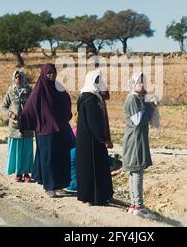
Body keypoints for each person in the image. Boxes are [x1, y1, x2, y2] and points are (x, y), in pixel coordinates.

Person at [19, 63, 72, 198]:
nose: (51, 75)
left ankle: (59, 184)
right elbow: (28, 108)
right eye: (49, 73)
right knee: (48, 159)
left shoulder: (58, 88)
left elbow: (66, 100)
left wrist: (65, 117)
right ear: (43, 74)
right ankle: (49, 186)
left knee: (60, 157)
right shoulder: (39, 90)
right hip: (45, 131)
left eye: (53, 73)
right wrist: (27, 124)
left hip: (60, 128)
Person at [123, 71, 158, 219]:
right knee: (137, 171)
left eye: (144, 81)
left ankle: (133, 204)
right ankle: (139, 206)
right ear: (133, 84)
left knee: (134, 172)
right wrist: (150, 107)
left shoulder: (138, 98)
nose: (143, 84)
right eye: (139, 82)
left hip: (136, 138)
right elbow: (138, 120)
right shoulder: (132, 99)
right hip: (135, 140)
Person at [75, 70, 114, 205]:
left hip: (89, 139)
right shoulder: (90, 99)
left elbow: (107, 94)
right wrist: (103, 138)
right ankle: (94, 197)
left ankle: (94, 196)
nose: (98, 83)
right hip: (92, 140)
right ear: (90, 81)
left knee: (93, 168)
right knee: (93, 168)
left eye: (99, 80)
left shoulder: (90, 96)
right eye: (96, 80)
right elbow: (94, 122)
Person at [2, 70, 34, 183]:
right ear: (14, 79)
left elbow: (35, 104)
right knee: (17, 150)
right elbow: (4, 106)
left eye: (20, 77)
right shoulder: (11, 91)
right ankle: (18, 173)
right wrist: (10, 114)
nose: (18, 79)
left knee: (27, 150)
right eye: (16, 77)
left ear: (24, 78)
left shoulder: (30, 91)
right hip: (15, 126)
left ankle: (26, 173)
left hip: (27, 125)